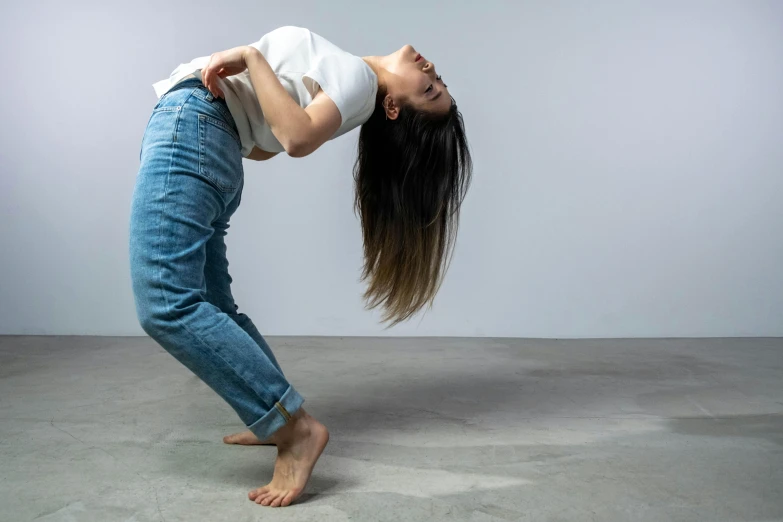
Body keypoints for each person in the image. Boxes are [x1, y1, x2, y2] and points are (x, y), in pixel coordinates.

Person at [129, 26, 472, 508]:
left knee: (165, 302)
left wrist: (251, 58)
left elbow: (293, 138)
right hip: (207, 133)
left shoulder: (355, 78)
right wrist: (249, 90)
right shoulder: (351, 87)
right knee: (210, 305)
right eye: (439, 80)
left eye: (431, 90)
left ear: (394, 107)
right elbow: (268, 142)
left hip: (195, 126)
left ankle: (294, 429)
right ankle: (270, 416)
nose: (432, 72)